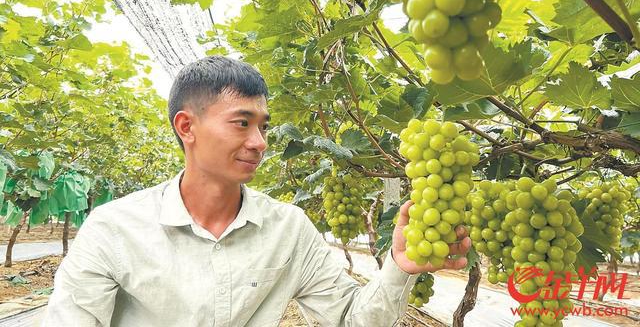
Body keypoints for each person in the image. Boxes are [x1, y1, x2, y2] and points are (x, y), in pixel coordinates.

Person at [42, 56, 471, 326]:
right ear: (186, 127)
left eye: (263, 126)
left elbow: (350, 319)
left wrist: (398, 266)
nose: (260, 142)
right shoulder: (113, 228)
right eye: (241, 122)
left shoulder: (289, 228)